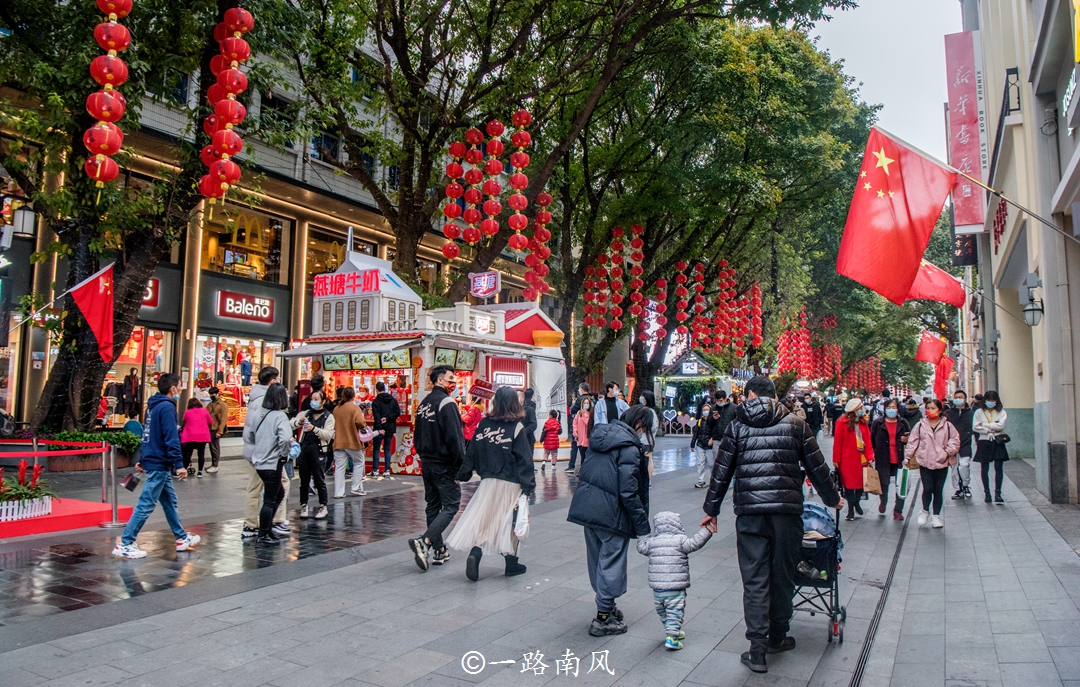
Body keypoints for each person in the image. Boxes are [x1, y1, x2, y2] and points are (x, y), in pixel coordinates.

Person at [701, 375, 841, 675]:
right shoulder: (795, 424)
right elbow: (817, 466)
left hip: (750, 513)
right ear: (774, 395)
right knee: (783, 575)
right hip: (787, 513)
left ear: (750, 394)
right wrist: (833, 499)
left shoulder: (737, 426)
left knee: (754, 579)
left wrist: (711, 510)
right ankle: (777, 636)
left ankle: (757, 650)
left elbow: (721, 471)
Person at [567, 405, 653, 637]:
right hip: (612, 513)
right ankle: (603, 617)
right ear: (640, 424)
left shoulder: (599, 438)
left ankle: (606, 605)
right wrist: (643, 527)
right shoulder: (630, 448)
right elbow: (628, 491)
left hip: (588, 509)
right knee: (612, 561)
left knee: (597, 560)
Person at [447, 386, 536, 581]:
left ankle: (476, 553)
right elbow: (524, 459)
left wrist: (463, 474)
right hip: (511, 482)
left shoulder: (483, 424)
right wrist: (528, 485)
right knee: (509, 522)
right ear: (514, 403)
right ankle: (511, 564)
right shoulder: (516, 427)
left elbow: (471, 452)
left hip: (488, 482)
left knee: (485, 520)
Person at [112, 373, 201, 559]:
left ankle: (181, 537)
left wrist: (144, 458)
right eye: (180, 386)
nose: (182, 389)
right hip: (160, 463)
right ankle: (126, 542)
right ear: (172, 389)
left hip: (155, 460)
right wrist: (179, 464)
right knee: (146, 504)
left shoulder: (152, 407)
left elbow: (147, 435)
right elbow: (170, 437)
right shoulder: (167, 408)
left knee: (169, 501)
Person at [409, 365, 468, 571]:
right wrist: (461, 467)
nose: (454, 382)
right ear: (440, 381)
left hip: (427, 462)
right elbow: (455, 438)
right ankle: (424, 541)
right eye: (451, 378)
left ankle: (439, 550)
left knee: (433, 506)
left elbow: (417, 435)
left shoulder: (424, 403)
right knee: (451, 505)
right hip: (444, 464)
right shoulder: (447, 403)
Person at [636, 511, 715, 650]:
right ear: (677, 524)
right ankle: (672, 638)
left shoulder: (652, 542)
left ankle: (672, 630)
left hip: (658, 589)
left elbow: (641, 547)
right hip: (675, 588)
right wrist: (707, 530)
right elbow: (695, 543)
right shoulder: (680, 540)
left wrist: (642, 534)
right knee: (675, 611)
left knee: (663, 611)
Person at [241, 367, 288, 539]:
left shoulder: (254, 396)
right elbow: (278, 434)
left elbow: (250, 431)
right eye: (278, 378)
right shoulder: (266, 400)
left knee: (255, 488)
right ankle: (272, 522)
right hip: (267, 454)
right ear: (272, 381)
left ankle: (251, 524)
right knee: (278, 486)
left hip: (255, 450)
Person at [905, 399, 960, 528]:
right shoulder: (920, 425)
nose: (930, 410)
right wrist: (907, 457)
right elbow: (913, 442)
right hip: (925, 462)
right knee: (928, 488)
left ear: (940, 410)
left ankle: (936, 516)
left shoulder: (947, 426)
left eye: (933, 408)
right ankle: (925, 511)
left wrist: (946, 452)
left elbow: (955, 440)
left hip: (942, 462)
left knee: (938, 490)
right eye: (928, 408)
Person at [249, 383, 293, 545]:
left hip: (259, 461)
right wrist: (284, 454)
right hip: (273, 462)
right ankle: (263, 534)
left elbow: (252, 435)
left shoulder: (258, 414)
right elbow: (286, 439)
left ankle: (266, 529)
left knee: (278, 493)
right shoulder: (280, 416)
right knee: (270, 499)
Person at [291, 390, 333, 519]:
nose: (313, 401)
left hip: (319, 450)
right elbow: (291, 423)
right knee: (304, 480)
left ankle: (323, 506)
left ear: (323, 401)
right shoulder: (306, 414)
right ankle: (303, 505)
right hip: (305, 449)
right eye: (312, 399)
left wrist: (314, 429)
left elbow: (328, 434)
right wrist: (298, 422)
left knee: (319, 479)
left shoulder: (328, 417)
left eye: (316, 399)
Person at [870, 398, 910, 521]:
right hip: (883, 457)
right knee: (884, 483)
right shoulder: (877, 423)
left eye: (894, 407)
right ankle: (883, 501)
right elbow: (872, 439)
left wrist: (906, 440)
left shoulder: (903, 422)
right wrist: (873, 454)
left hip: (900, 459)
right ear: (885, 409)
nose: (891, 410)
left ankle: (898, 510)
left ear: (898, 409)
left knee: (901, 485)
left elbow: (912, 438)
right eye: (889, 407)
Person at [833, 398, 871, 521]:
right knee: (848, 485)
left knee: (861, 485)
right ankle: (850, 509)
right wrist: (836, 459)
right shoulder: (841, 422)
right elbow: (837, 442)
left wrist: (870, 456)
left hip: (862, 458)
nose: (862, 410)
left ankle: (856, 502)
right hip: (847, 459)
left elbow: (868, 441)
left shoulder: (863, 422)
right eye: (860, 408)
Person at [973, 390, 1009, 503]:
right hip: (984, 441)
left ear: (997, 401)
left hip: (998, 441)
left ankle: (998, 492)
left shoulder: (1001, 412)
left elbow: (1001, 426)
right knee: (984, 468)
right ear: (985, 400)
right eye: (988, 400)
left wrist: (984, 425)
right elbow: (975, 427)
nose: (990, 402)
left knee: (999, 468)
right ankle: (987, 493)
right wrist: (991, 428)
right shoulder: (979, 412)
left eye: (993, 400)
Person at [332, 386, 368, 498]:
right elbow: (361, 422)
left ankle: (338, 492)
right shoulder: (355, 408)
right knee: (359, 462)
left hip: (338, 442)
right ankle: (355, 487)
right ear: (353, 396)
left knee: (340, 467)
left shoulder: (337, 409)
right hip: (352, 441)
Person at [945, 390, 975, 499]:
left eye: (960, 397)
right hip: (952, 444)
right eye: (956, 397)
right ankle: (957, 489)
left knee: (964, 464)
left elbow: (974, 427)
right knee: (954, 467)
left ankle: (966, 485)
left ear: (965, 399)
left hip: (965, 443)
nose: (958, 399)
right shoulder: (948, 413)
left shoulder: (971, 413)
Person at [371, 381, 402, 476]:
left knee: (376, 449)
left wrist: (380, 427)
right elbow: (397, 413)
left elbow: (376, 416)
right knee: (387, 449)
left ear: (376, 390)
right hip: (390, 427)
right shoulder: (393, 400)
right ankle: (387, 470)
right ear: (384, 389)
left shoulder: (375, 401)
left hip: (378, 428)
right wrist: (388, 418)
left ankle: (375, 470)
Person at [179, 398, 213, 476]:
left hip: (190, 436)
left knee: (188, 454)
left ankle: (184, 469)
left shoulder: (187, 412)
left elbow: (184, 420)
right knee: (201, 454)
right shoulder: (204, 411)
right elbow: (210, 421)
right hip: (202, 436)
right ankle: (200, 472)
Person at [567, 383, 594, 473]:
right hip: (582, 434)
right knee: (584, 452)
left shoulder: (580, 401)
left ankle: (572, 466)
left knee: (578, 450)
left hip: (583, 435)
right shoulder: (593, 399)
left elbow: (572, 411)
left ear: (581, 389)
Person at [206, 387, 228, 474]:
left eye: (213, 394)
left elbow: (223, 419)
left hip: (216, 428)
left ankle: (215, 465)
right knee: (212, 447)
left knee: (215, 447)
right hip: (210, 427)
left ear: (217, 393)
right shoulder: (210, 404)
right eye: (211, 394)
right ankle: (213, 464)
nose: (212, 395)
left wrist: (220, 431)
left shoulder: (222, 405)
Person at [691, 402, 713, 489]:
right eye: (704, 410)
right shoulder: (700, 421)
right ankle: (701, 480)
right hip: (700, 444)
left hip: (709, 445)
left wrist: (712, 439)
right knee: (700, 463)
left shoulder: (713, 421)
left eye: (707, 410)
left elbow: (716, 431)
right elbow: (696, 433)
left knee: (711, 464)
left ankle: (713, 480)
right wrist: (692, 444)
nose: (705, 411)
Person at [520, 389, 538, 461]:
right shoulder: (512, 409)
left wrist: (523, 431)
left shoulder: (529, 409)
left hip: (527, 437)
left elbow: (533, 424)